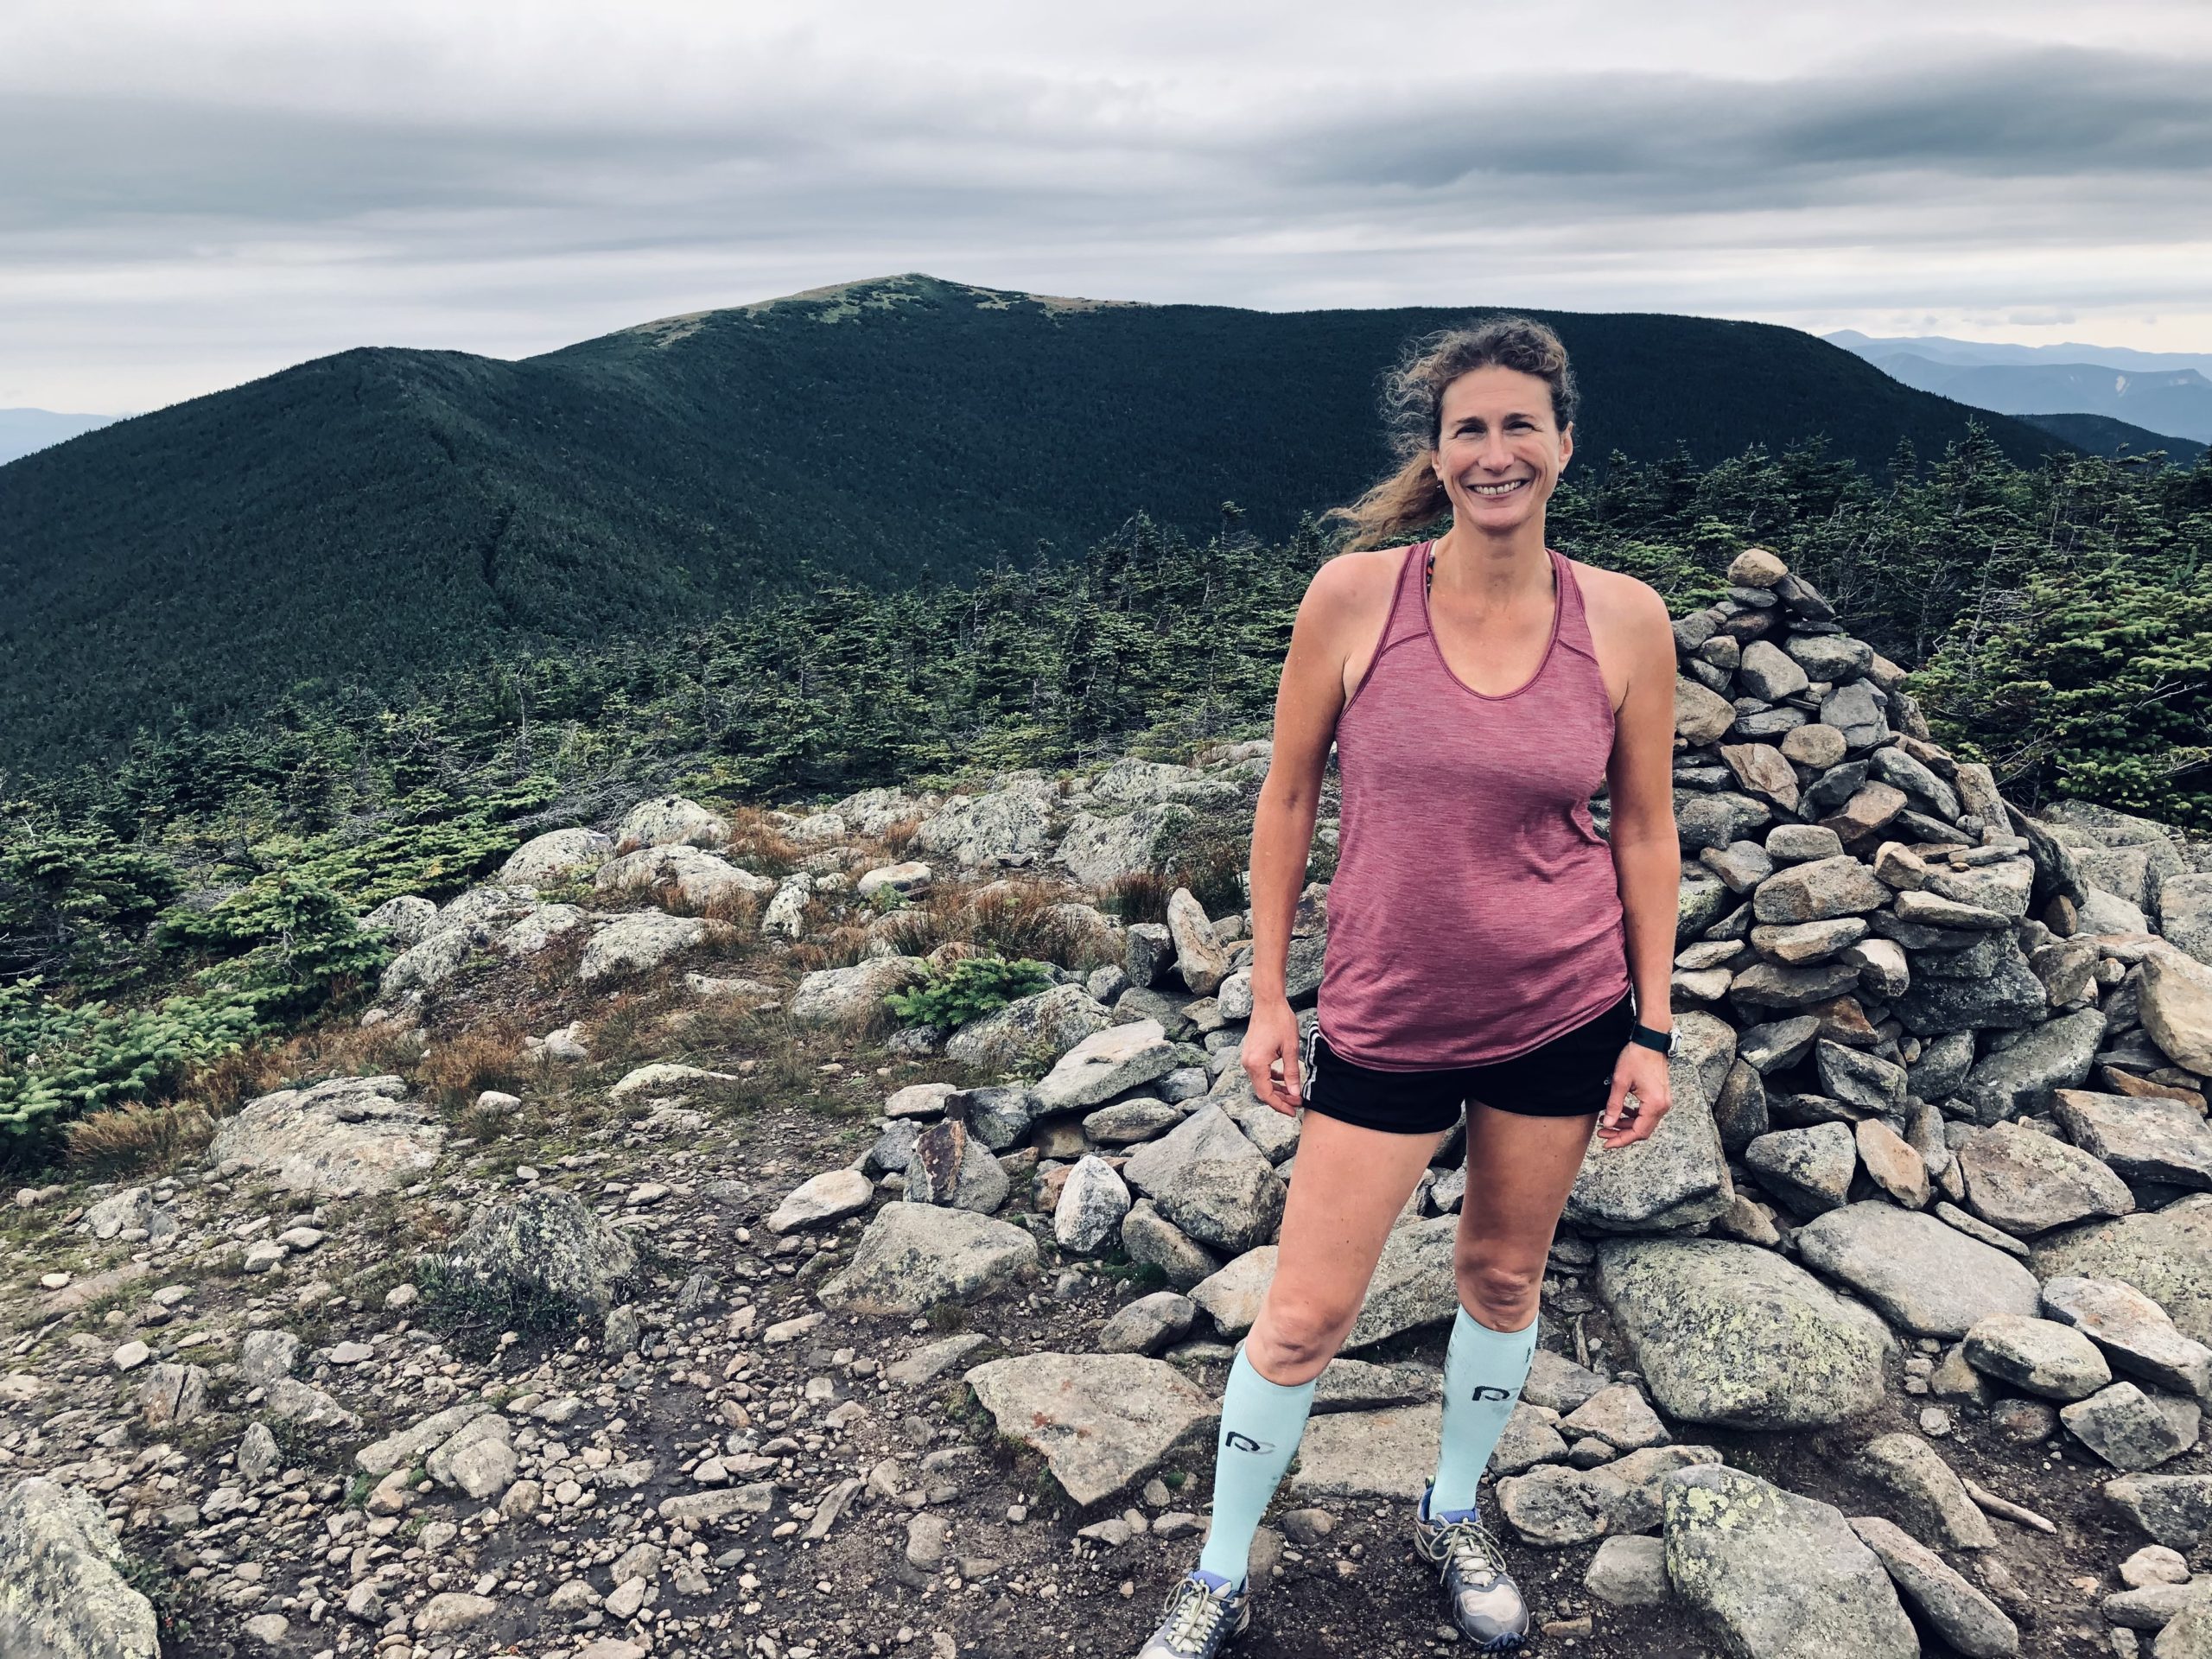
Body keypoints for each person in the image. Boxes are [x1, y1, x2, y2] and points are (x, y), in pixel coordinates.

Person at [1136, 317, 1682, 1658]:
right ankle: (1218, 1572)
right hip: (1383, 1013)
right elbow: (1287, 792)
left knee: (1501, 1280)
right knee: (1310, 1309)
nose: (1495, 453)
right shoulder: (1355, 597)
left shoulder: (1622, 618)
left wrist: (1652, 1028)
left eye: (1519, 427)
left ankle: (1451, 1512)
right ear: (1435, 457)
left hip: (1562, 1008)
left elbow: (1646, 833)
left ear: (1564, 445)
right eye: (1468, 431)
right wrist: (1269, 996)